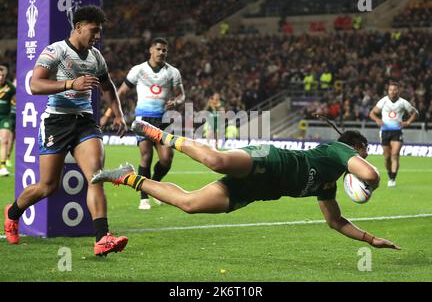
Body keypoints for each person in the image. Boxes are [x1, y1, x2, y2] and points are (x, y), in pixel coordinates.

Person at [92, 119, 401, 250]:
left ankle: (127, 176)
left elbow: (335, 221)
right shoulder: (339, 151)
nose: (367, 160)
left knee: (190, 204)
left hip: (259, 191)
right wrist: (365, 178)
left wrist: (370, 239)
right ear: (356, 150)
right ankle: (159, 134)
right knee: (217, 160)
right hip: (270, 160)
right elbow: (371, 176)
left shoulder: (328, 186)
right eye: (366, 153)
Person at [3, 5, 128, 256]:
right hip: (57, 122)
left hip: (84, 121)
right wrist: (71, 83)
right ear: (79, 27)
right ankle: (13, 212)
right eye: (94, 31)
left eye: (100, 32)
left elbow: (109, 86)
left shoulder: (96, 56)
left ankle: (102, 237)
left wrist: (118, 114)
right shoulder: (56, 50)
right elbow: (35, 85)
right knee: (49, 186)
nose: (97, 36)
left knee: (96, 175)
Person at [115, 37, 185, 210]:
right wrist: (112, 113)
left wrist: (175, 102)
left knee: (167, 159)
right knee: (146, 155)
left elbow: (182, 96)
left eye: (164, 50)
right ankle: (144, 197)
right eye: (159, 49)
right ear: (151, 50)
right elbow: (121, 91)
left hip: (164, 120)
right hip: (144, 118)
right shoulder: (138, 70)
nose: (162, 52)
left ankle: (154, 185)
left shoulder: (173, 72)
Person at [369, 82, 419, 187]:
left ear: (398, 91)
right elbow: (372, 113)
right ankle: (389, 174)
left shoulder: (403, 103)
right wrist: (377, 120)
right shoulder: (383, 101)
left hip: (397, 131)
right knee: (387, 157)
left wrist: (408, 122)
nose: (392, 91)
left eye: (395, 89)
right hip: (385, 131)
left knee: (395, 155)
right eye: (390, 90)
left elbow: (415, 113)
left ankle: (393, 179)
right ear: (388, 91)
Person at [0, 65, 15, 177]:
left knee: (5, 140)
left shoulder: (10, 88)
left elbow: (17, 97)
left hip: (5, 117)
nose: (0, 77)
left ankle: (3, 166)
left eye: (2, 75)